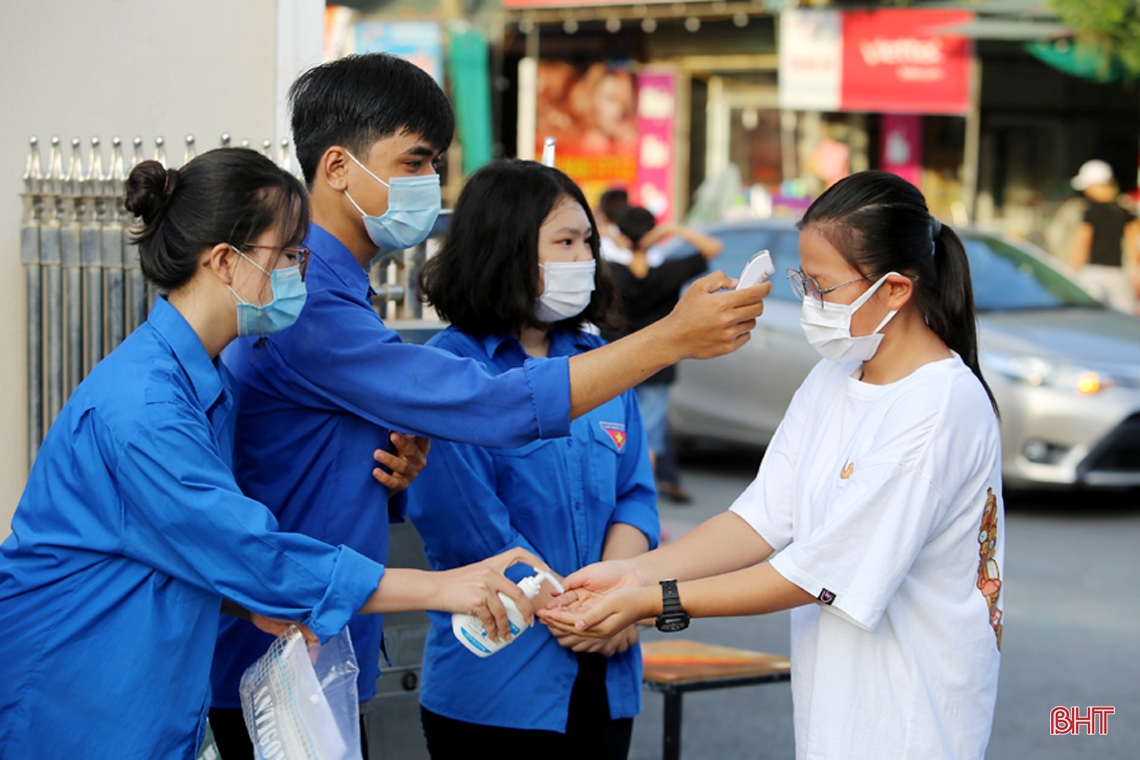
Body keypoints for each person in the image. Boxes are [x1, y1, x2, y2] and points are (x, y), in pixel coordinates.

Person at [207, 53, 770, 757]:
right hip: (289, 656)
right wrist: (669, 338)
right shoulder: (311, 303)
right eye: (413, 163)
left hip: (325, 643)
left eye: (435, 164)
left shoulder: (339, 295)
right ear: (339, 167)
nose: (428, 185)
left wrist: (388, 475)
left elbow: (633, 498)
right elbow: (492, 412)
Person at [0, 149, 551, 760]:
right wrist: (442, 588)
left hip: (137, 698)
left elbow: (186, 549)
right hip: (73, 698)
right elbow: (247, 551)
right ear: (224, 263)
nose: (299, 274)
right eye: (288, 256)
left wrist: (251, 601)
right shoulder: (143, 409)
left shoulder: (204, 383)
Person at [542, 171, 1005, 760]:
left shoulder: (937, 408)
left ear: (895, 290)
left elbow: (816, 574)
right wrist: (633, 574)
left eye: (823, 286)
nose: (808, 303)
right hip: (837, 713)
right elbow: (760, 520)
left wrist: (653, 600)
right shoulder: (836, 374)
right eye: (802, 282)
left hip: (909, 722)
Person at [409, 161, 659, 759]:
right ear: (507, 250)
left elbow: (636, 495)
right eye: (564, 243)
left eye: (587, 243)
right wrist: (589, 613)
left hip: (605, 668)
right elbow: (471, 530)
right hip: (499, 680)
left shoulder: (598, 361)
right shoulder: (449, 370)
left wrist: (626, 592)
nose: (583, 259)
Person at [602, 206, 724, 502]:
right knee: (649, 436)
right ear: (652, 236)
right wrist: (671, 231)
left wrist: (609, 235)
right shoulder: (670, 272)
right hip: (659, 362)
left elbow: (588, 251)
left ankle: (612, 499)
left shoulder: (610, 273)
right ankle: (641, 503)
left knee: (613, 432)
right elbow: (713, 247)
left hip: (617, 361)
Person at [1068, 159, 1140, 314]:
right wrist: (1136, 274)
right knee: (1123, 320)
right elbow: (1132, 247)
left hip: (1092, 274)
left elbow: (1082, 246)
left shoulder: (1089, 213)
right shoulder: (1125, 213)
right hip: (1118, 276)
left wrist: (1071, 275)